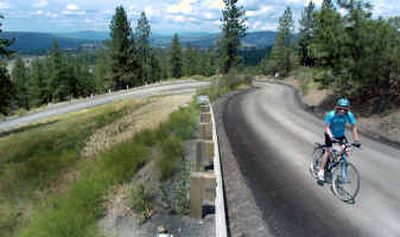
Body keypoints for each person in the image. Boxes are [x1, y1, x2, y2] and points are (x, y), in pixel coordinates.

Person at [318, 97, 361, 182]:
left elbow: (354, 127)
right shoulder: (331, 114)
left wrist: (356, 140)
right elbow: (327, 128)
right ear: (337, 107)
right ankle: (321, 171)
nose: (342, 110)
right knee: (328, 151)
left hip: (341, 136)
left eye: (344, 109)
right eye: (340, 108)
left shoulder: (349, 115)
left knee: (347, 151)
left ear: (347, 109)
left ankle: (342, 173)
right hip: (329, 135)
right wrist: (331, 136)